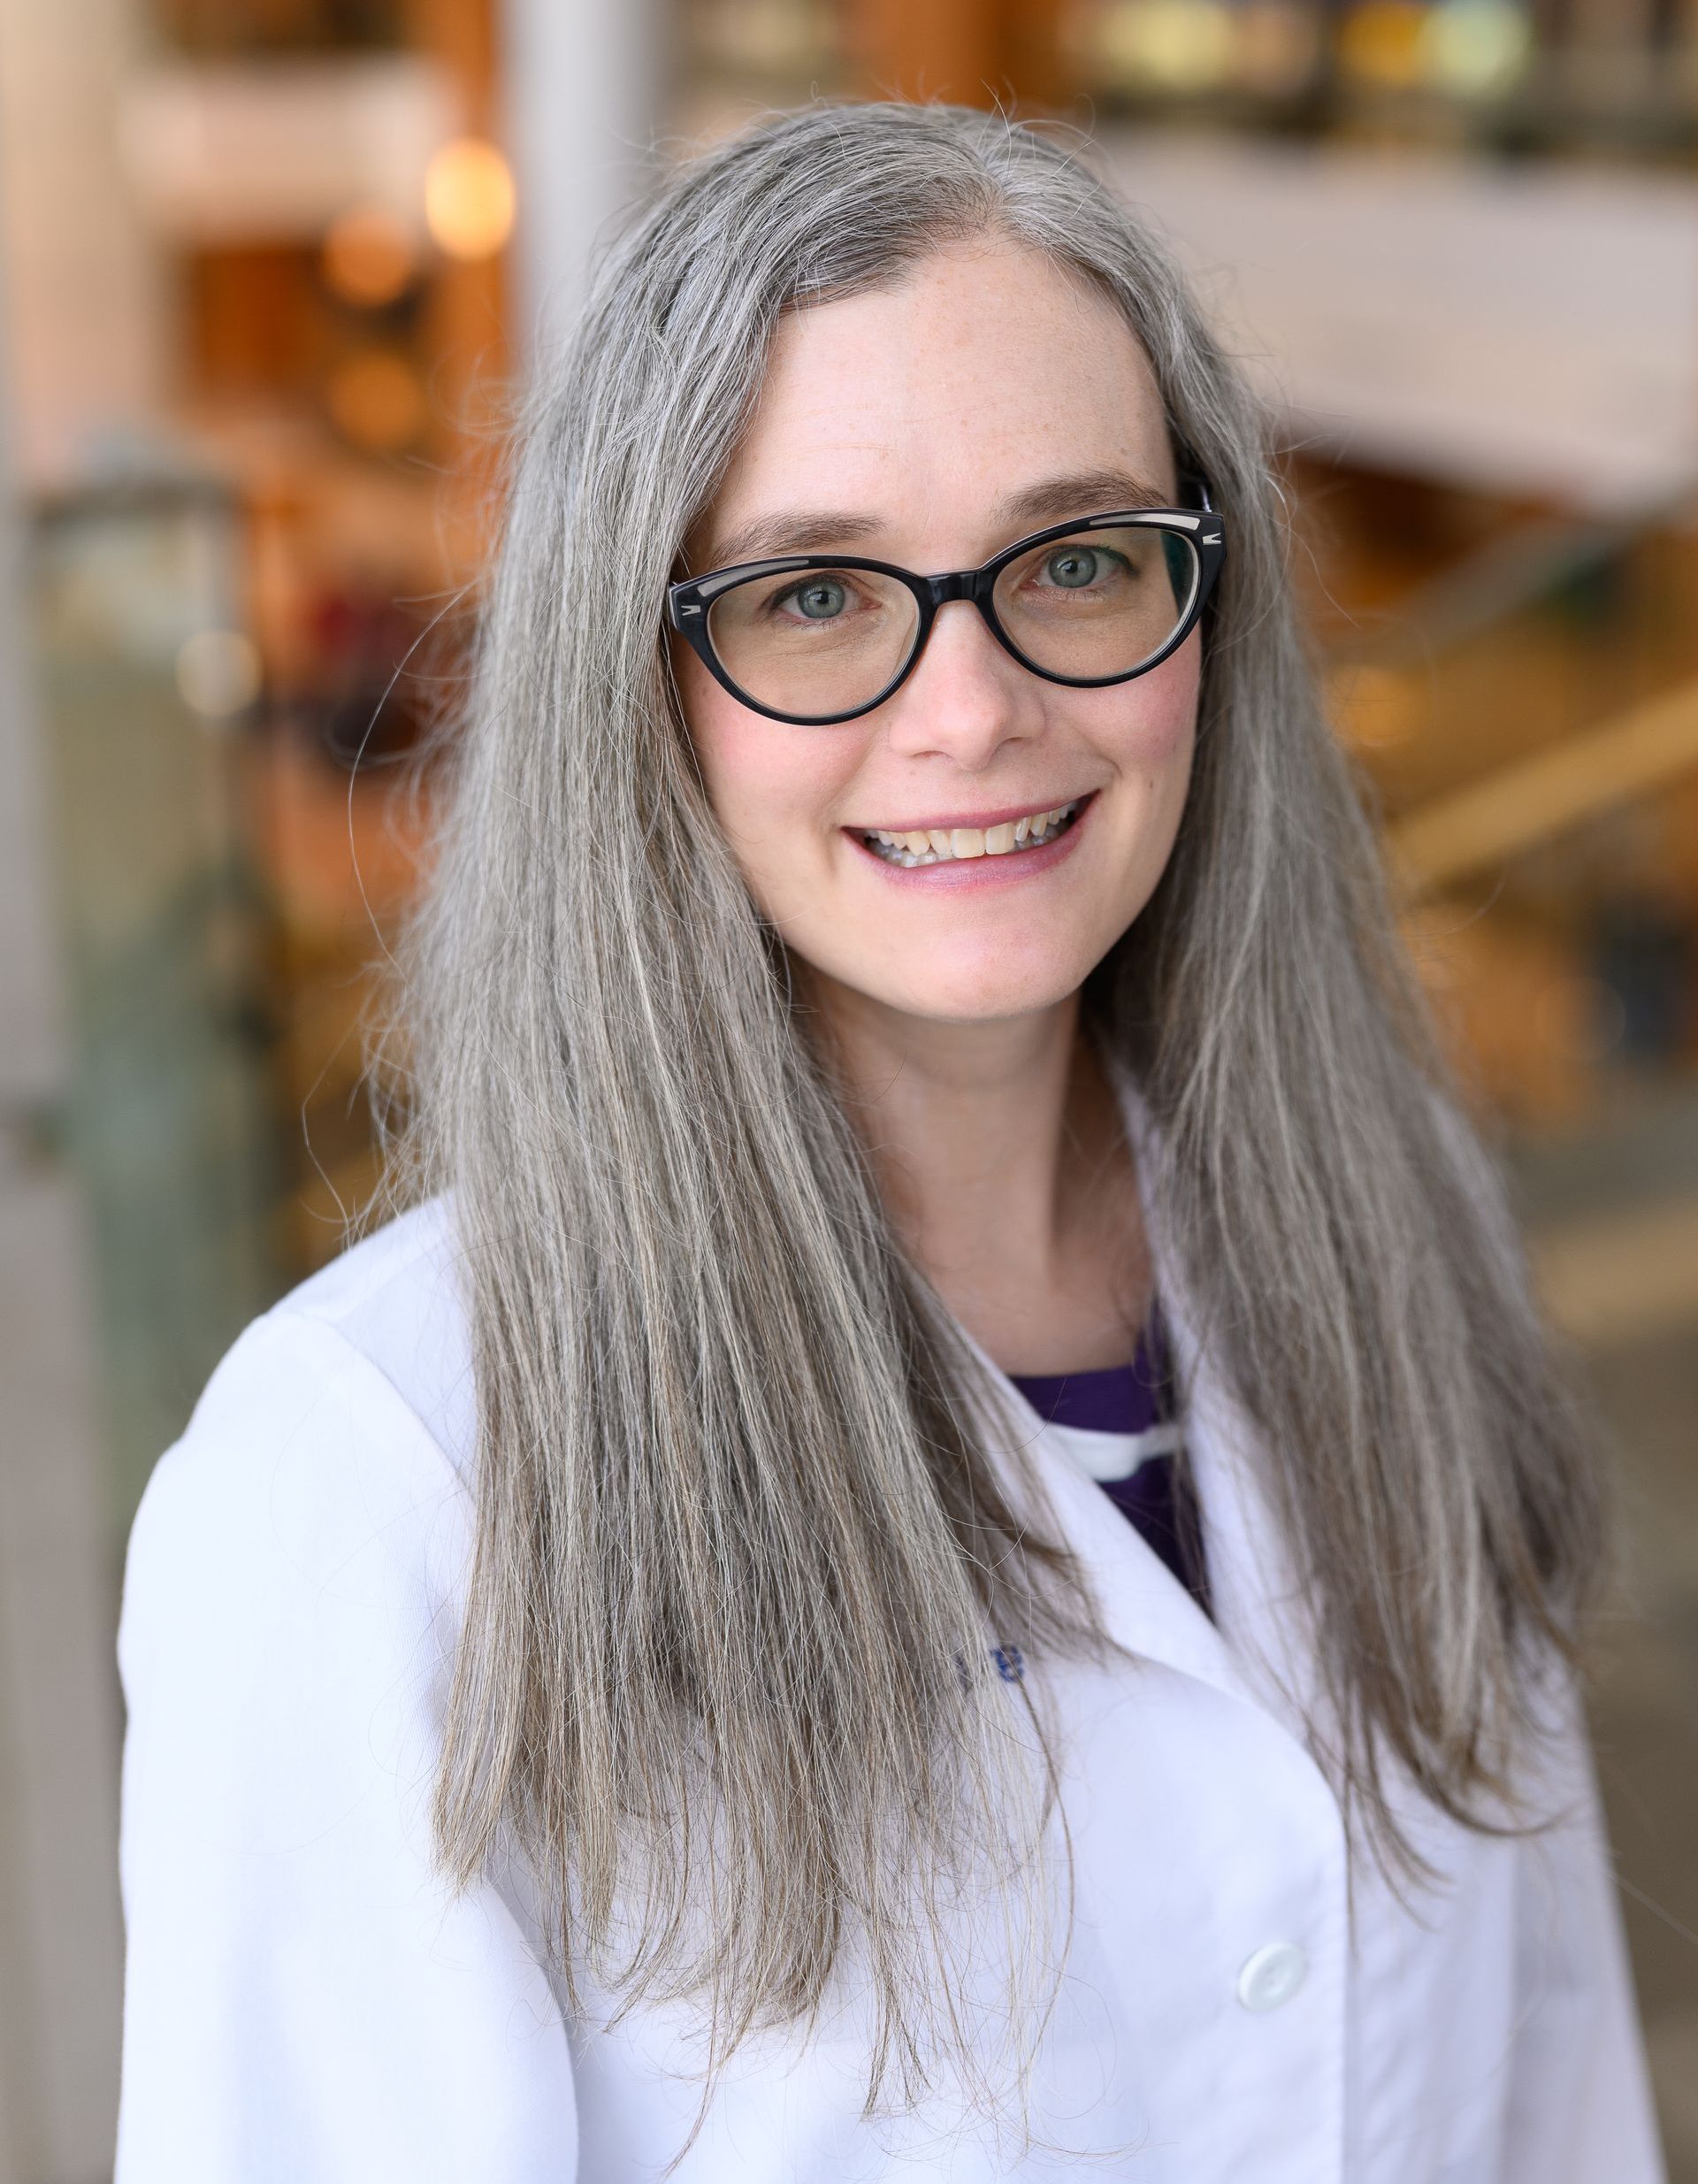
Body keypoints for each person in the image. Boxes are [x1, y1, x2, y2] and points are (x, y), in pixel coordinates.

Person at [113, 103, 1665, 2182]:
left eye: (1084, 557)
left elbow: (1553, 2084)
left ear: (1208, 611)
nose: (971, 708)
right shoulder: (374, 1485)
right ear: (637, 679)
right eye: (819, 592)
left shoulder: (1403, 1232)